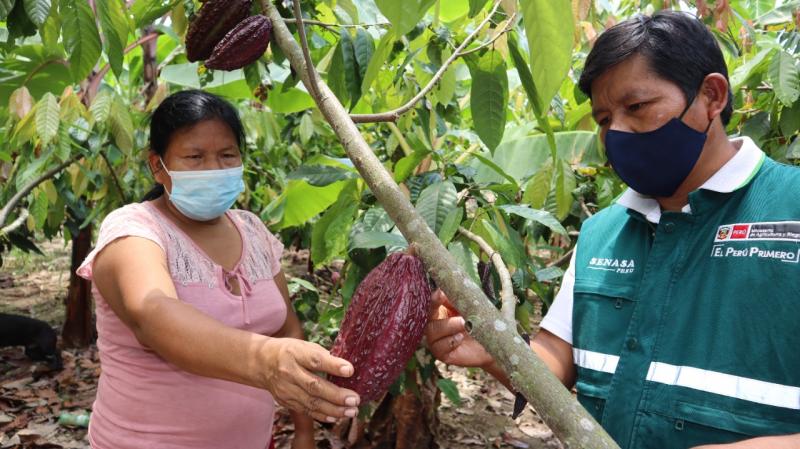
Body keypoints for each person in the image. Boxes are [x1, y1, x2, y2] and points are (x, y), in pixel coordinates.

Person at [425, 11, 800, 449]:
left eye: (636, 107)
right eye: (604, 119)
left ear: (711, 96)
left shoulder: (789, 209)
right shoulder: (603, 233)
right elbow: (555, 363)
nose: (616, 132)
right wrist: (495, 351)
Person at [76, 90, 360, 449]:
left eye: (227, 155)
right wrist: (264, 360)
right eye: (194, 157)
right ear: (156, 165)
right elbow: (153, 315)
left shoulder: (252, 230)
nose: (213, 168)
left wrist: (303, 430)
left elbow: (287, 330)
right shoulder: (133, 231)